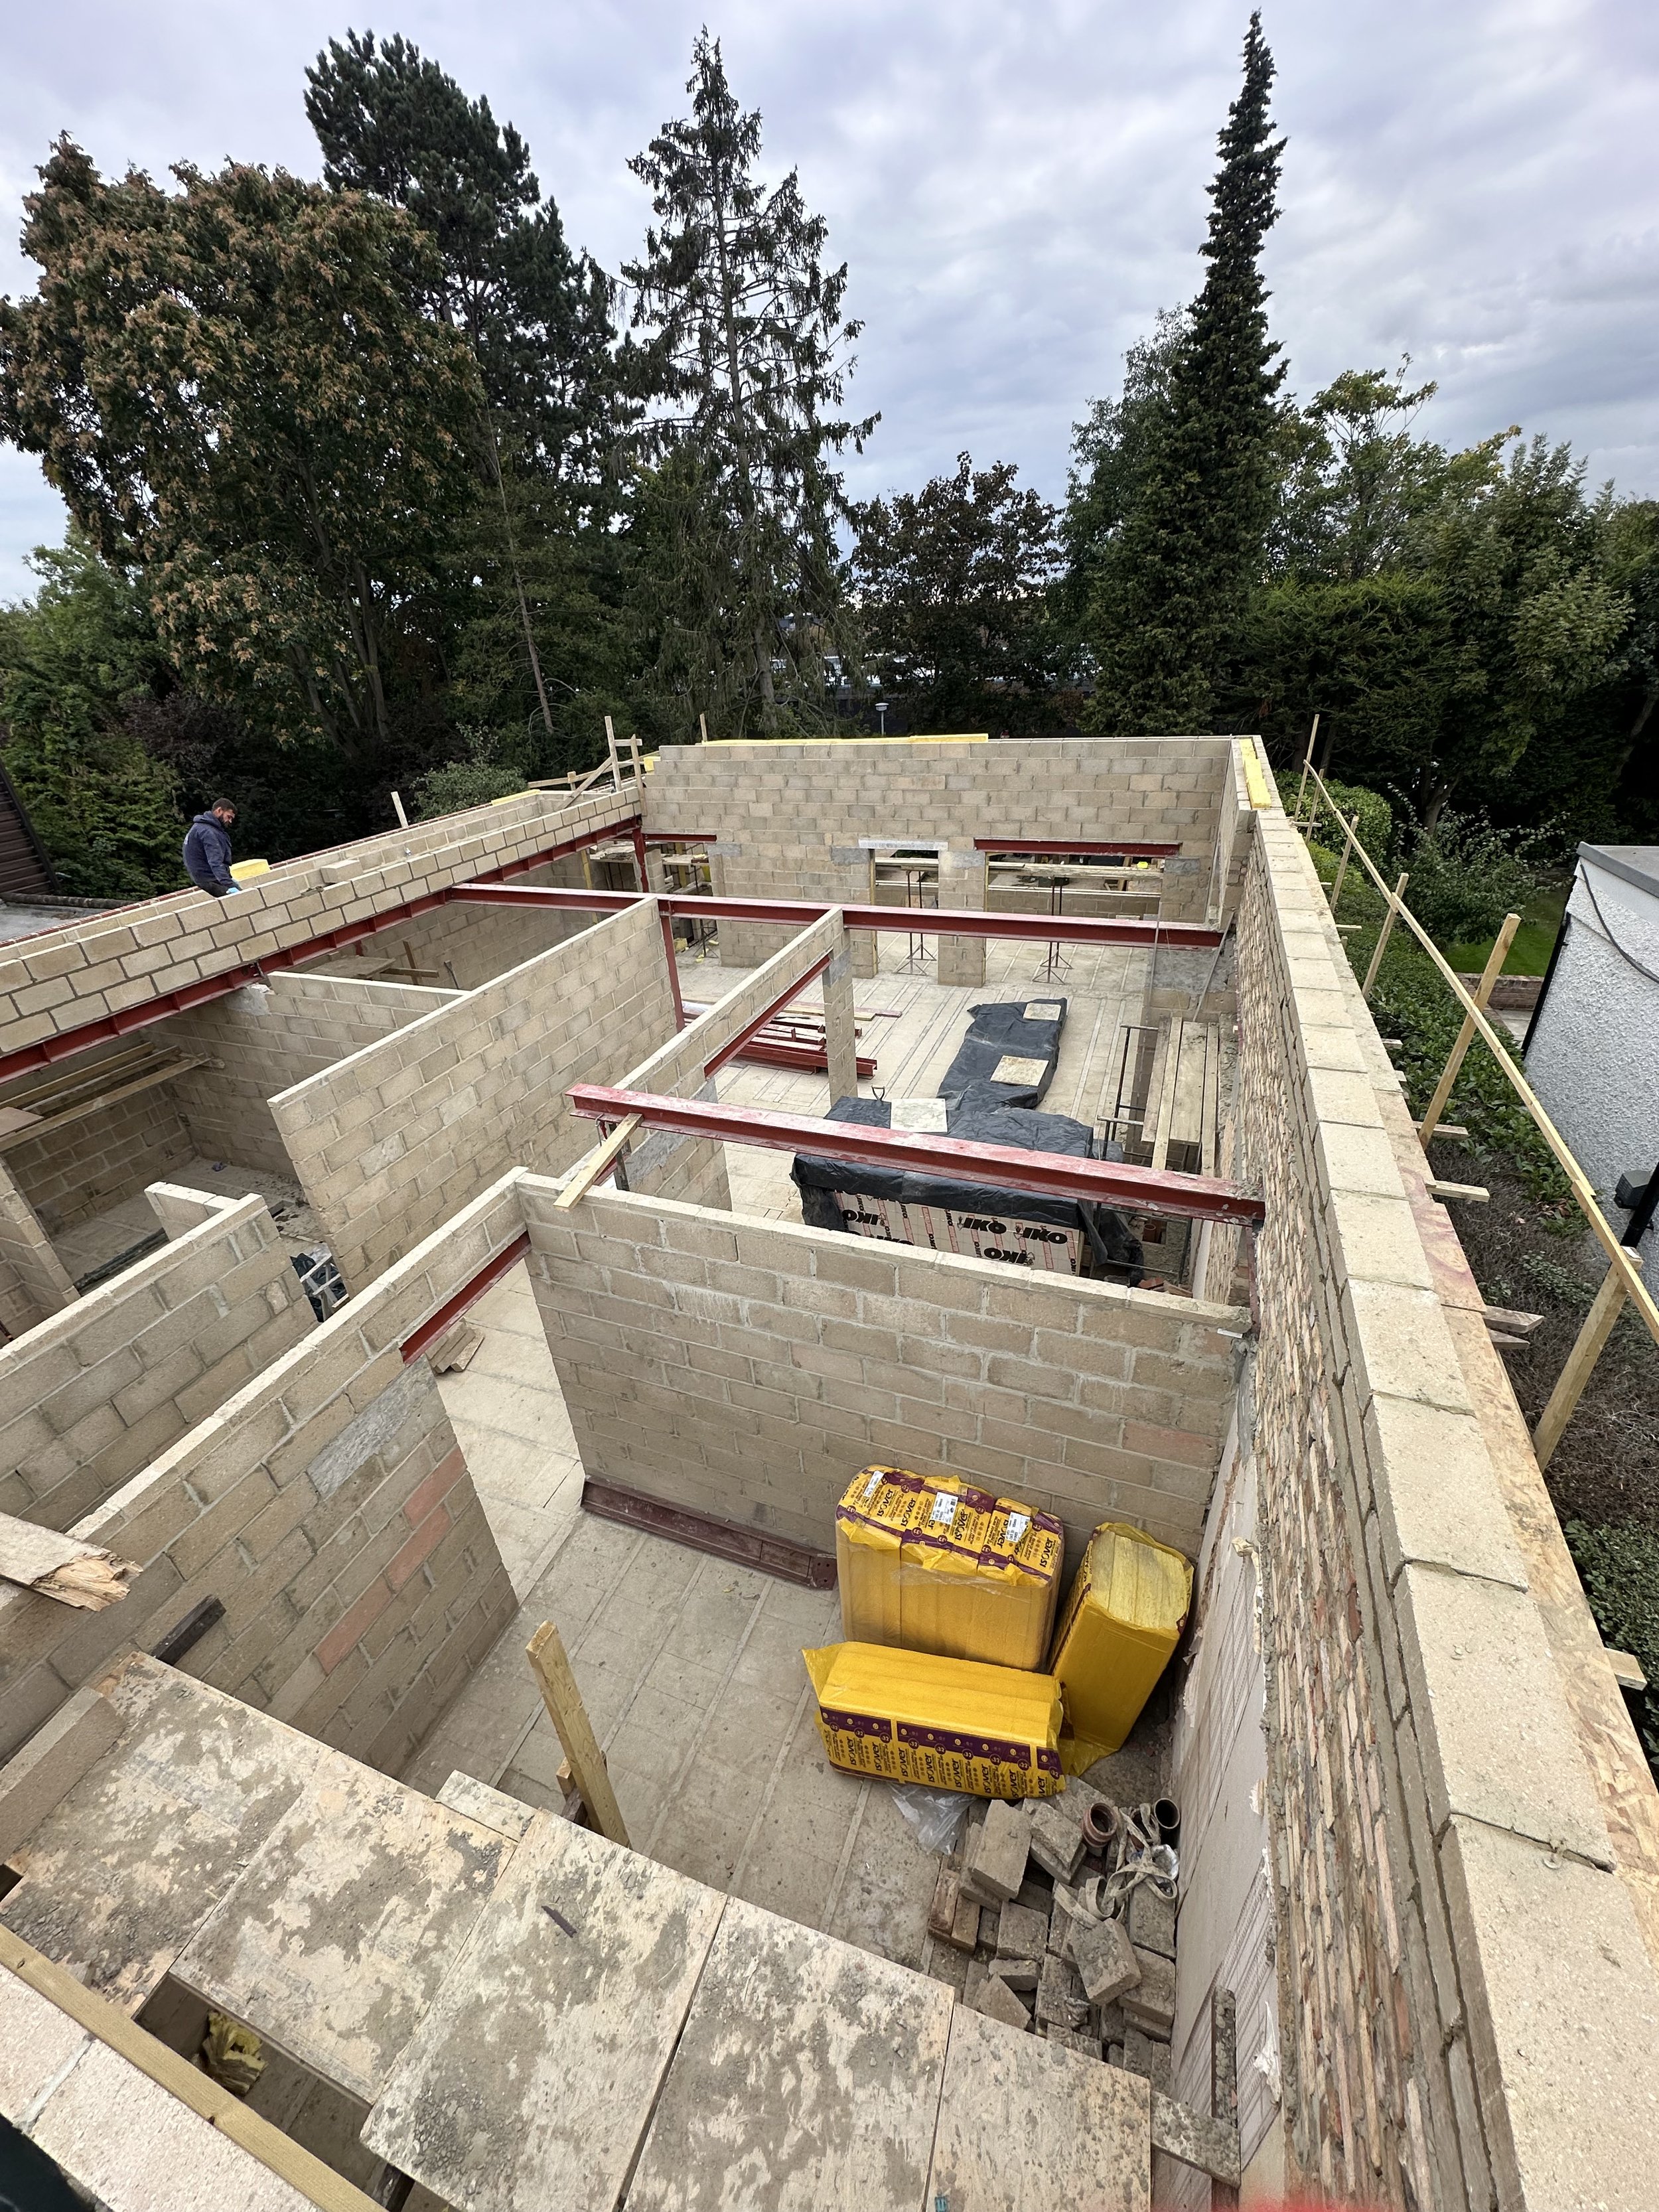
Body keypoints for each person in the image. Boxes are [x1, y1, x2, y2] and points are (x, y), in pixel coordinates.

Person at [182, 799, 238, 897]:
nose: (230, 821)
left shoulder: (200, 827)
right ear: (219, 811)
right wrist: (229, 885)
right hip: (211, 880)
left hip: (206, 879)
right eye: (228, 817)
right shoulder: (208, 832)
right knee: (243, 900)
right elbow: (216, 862)